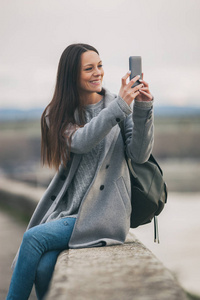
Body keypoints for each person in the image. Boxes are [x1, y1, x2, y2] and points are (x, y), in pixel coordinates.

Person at [7, 43, 154, 300]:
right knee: (43, 267)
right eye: (89, 68)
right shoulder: (57, 113)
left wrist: (142, 108)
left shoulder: (118, 105)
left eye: (100, 65)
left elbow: (139, 155)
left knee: (32, 239)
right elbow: (82, 142)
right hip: (67, 211)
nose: (98, 73)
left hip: (103, 213)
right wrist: (120, 106)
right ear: (71, 75)